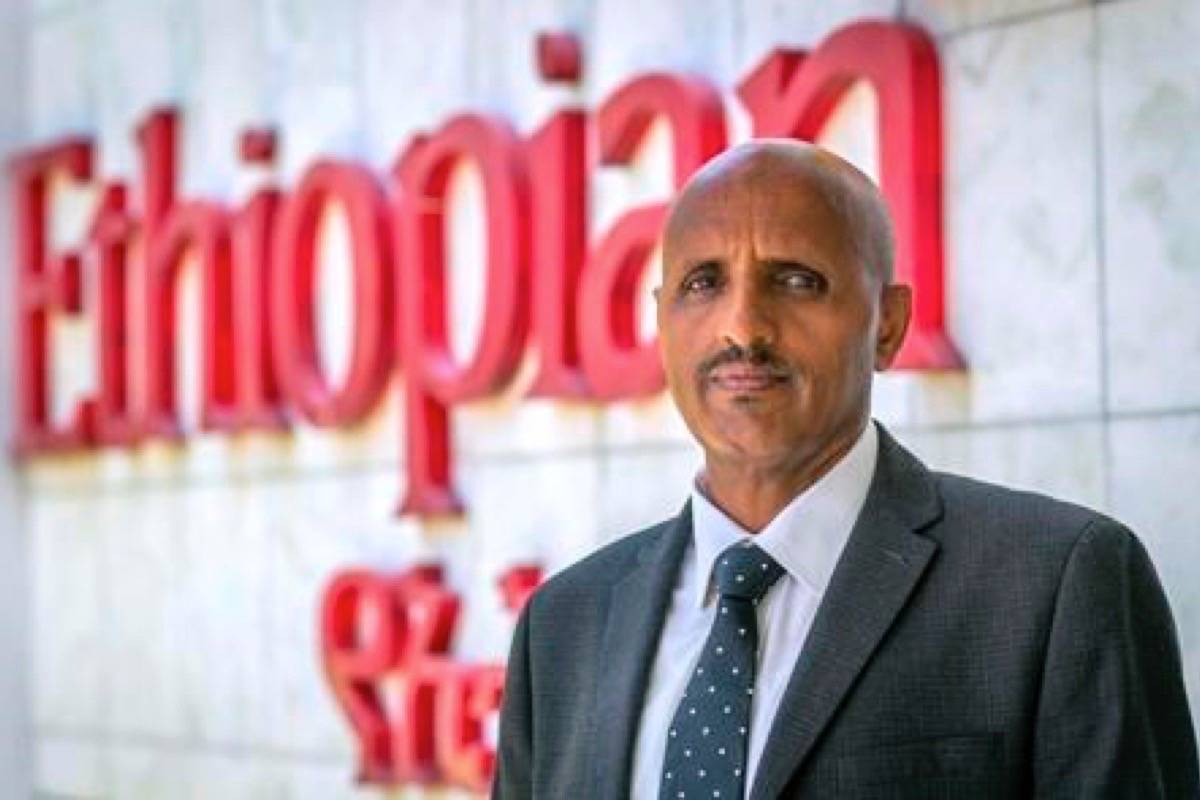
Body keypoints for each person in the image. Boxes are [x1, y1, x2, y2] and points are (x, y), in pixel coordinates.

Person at [492, 140, 1199, 798]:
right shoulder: (562, 625)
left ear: (887, 326)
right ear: (662, 322)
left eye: (796, 280)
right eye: (703, 283)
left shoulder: (1054, 584)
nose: (742, 327)